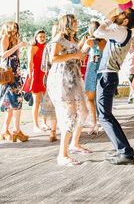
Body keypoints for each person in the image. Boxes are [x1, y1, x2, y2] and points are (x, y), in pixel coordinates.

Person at [94, 8, 134, 165]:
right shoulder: (124, 32)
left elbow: (97, 33)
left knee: (104, 116)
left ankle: (125, 152)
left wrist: (108, 19)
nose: (119, 14)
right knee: (106, 115)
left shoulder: (120, 30)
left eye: (122, 13)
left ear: (126, 21)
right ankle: (123, 150)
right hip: (110, 75)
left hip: (107, 75)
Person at [47, 14, 90, 166]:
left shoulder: (74, 39)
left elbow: (75, 56)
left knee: (84, 111)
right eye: (74, 21)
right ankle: (62, 155)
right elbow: (53, 59)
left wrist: (82, 52)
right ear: (67, 23)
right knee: (70, 114)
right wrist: (75, 54)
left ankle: (75, 144)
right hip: (62, 79)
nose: (77, 23)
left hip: (75, 77)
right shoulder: (59, 37)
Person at [0, 22, 28, 142]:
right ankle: (15, 130)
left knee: (12, 104)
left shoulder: (14, 38)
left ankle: (5, 130)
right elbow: (3, 54)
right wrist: (18, 46)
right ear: (8, 27)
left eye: (17, 27)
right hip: (9, 74)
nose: (16, 29)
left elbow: (16, 57)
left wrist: (18, 46)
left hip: (15, 74)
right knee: (15, 102)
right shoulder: (5, 37)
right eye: (13, 27)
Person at [83, 21, 106, 135]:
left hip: (92, 71)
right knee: (100, 99)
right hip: (103, 72)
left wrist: (84, 40)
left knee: (91, 99)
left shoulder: (90, 41)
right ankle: (103, 122)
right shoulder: (105, 42)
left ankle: (94, 123)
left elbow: (81, 52)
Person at [24, 30, 47, 133]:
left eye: (44, 36)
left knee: (45, 101)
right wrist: (30, 76)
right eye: (40, 36)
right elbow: (30, 62)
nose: (42, 38)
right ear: (36, 38)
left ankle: (44, 122)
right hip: (36, 75)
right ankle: (35, 125)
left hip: (45, 75)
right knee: (36, 102)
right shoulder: (33, 48)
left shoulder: (47, 47)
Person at [40, 23, 59, 142]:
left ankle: (53, 132)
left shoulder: (49, 45)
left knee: (52, 106)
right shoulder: (68, 44)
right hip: (66, 79)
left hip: (52, 77)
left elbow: (44, 66)